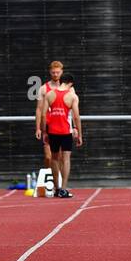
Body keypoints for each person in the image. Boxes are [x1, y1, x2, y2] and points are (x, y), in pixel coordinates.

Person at [38, 70, 81, 198]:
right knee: (66, 159)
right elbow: (76, 117)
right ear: (71, 84)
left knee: (54, 159)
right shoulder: (72, 96)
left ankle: (57, 189)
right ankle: (63, 188)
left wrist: (44, 131)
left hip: (53, 131)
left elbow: (44, 114)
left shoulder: (49, 94)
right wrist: (79, 134)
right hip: (66, 132)